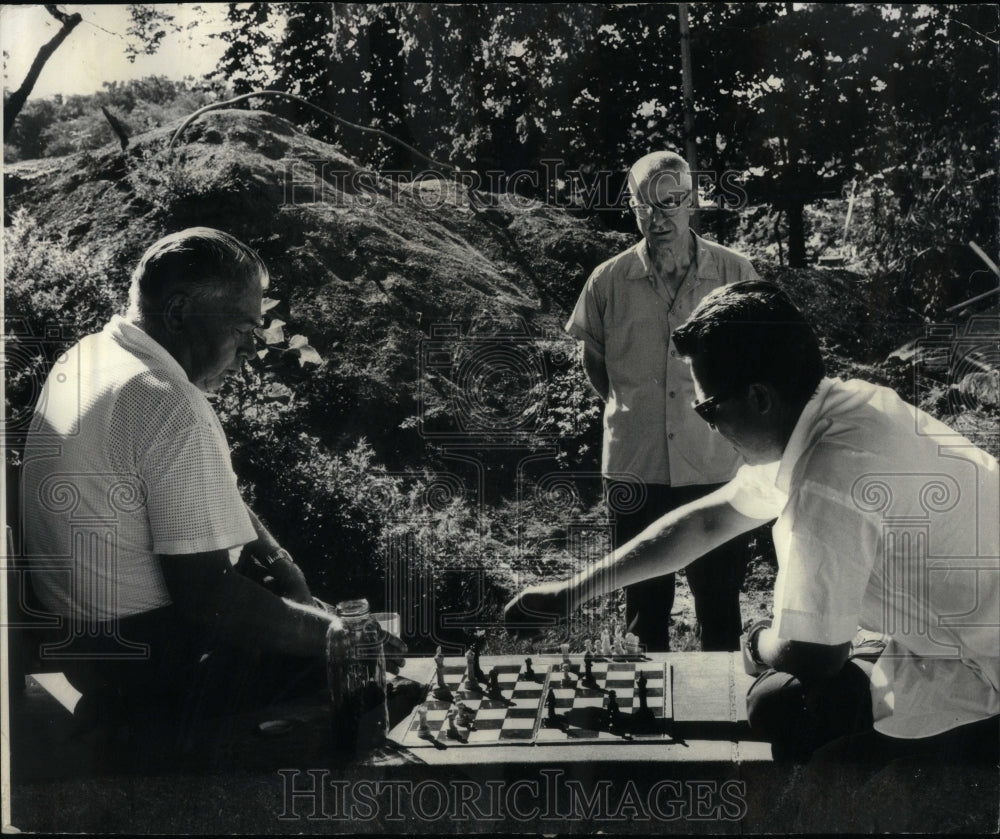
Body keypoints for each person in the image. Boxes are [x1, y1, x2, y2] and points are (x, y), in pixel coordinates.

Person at [508, 280, 999, 770]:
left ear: (760, 397)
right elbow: (705, 522)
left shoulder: (829, 478)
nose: (707, 424)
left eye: (707, 407)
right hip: (961, 636)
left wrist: (756, 640)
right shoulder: (843, 410)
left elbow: (813, 655)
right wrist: (571, 591)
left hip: (985, 666)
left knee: (777, 704)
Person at [20, 227, 401, 739]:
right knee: (360, 672)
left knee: (300, 612)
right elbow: (209, 601)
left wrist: (283, 566)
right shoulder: (168, 404)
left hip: (80, 645)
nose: (250, 349)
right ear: (178, 313)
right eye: (243, 329)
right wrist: (335, 637)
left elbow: (216, 503)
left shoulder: (90, 355)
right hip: (145, 668)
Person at [565, 150, 760, 651]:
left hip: (716, 467)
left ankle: (726, 717)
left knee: (720, 607)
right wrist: (634, 410)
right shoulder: (607, 280)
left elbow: (764, 360)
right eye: (644, 205)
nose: (658, 216)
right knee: (643, 613)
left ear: (691, 200)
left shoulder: (736, 273)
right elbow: (595, 361)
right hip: (637, 468)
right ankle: (645, 718)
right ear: (632, 208)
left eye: (670, 201)